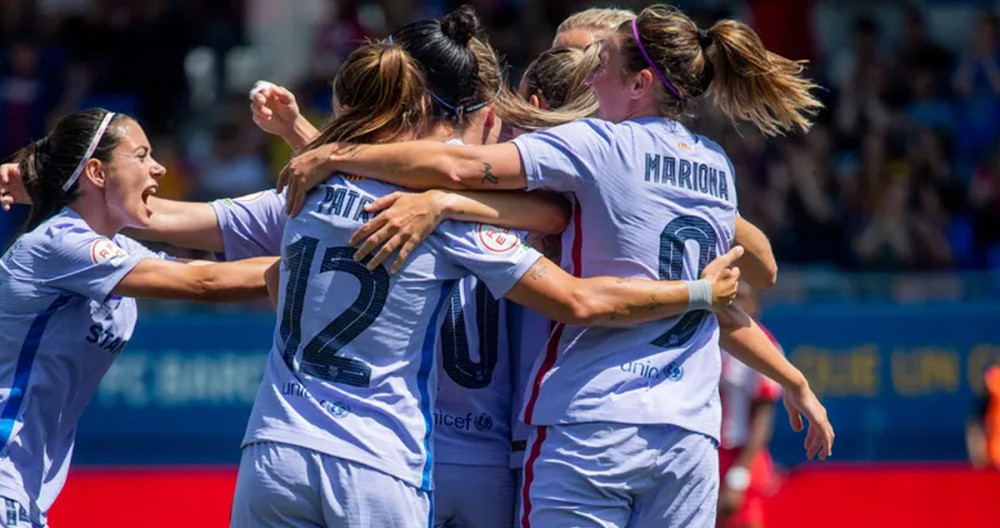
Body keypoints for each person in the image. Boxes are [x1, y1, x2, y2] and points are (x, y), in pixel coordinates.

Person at [275, 5, 833, 527]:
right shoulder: (716, 167)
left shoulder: (596, 147)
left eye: (600, 65)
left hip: (584, 424)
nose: (587, 80)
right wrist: (794, 377)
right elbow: (744, 284)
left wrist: (333, 152)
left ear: (641, 83)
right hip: (687, 434)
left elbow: (460, 168)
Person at [0, 108, 274, 527]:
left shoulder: (113, 248)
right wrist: (322, 258)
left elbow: (200, 273)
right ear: (96, 171)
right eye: (141, 155)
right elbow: (209, 283)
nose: (159, 167)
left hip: (26, 487)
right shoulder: (58, 242)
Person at [717, 284, 782, 528]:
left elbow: (763, 415)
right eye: (729, 299)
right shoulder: (708, 338)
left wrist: (739, 476)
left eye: (742, 299)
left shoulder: (764, 347)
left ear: (754, 306)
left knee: (742, 520)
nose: (734, 305)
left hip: (740, 454)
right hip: (707, 449)